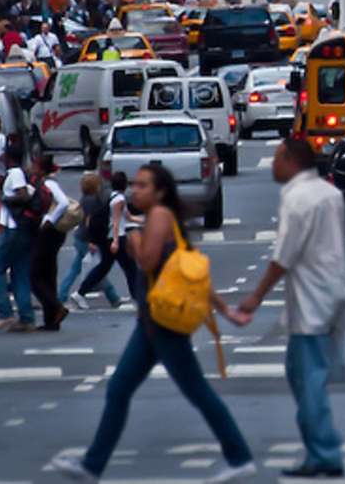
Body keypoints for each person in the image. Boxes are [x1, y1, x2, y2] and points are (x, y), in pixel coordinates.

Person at [52, 165, 256, 483]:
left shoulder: (159, 216)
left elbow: (146, 261)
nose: (135, 190)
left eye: (143, 185)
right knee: (121, 389)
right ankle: (92, 467)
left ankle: (240, 456)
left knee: (193, 391)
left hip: (163, 324)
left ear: (160, 192)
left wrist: (133, 242)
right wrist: (227, 311)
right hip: (151, 323)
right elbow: (194, 275)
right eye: (134, 184)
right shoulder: (162, 220)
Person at [232, 138, 345, 477]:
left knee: (307, 377)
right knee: (305, 373)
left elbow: (283, 255)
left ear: (289, 159)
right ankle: (321, 449)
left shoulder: (296, 198)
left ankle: (324, 452)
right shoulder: (330, 193)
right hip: (334, 292)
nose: (272, 165)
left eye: (275, 158)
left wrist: (255, 296)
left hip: (310, 299)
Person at [0, 147, 37, 332]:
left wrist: (3, 197)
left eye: (2, 154)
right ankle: (26, 318)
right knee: (20, 274)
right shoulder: (16, 173)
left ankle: (4, 313)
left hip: (13, 231)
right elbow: (5, 209)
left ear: (8, 157)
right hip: (22, 230)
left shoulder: (15, 173)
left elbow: (22, 196)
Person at [60, 173, 122, 310]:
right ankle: (113, 297)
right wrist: (92, 241)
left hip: (80, 237)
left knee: (76, 268)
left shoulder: (85, 199)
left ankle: (61, 295)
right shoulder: (93, 201)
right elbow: (89, 222)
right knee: (99, 268)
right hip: (87, 239)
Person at [26, 154, 72, 331]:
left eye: (34, 165)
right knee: (48, 274)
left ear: (41, 169)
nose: (31, 168)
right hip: (52, 234)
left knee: (35, 276)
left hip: (48, 233)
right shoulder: (43, 182)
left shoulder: (49, 184)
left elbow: (63, 203)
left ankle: (56, 307)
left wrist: (49, 220)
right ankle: (51, 321)